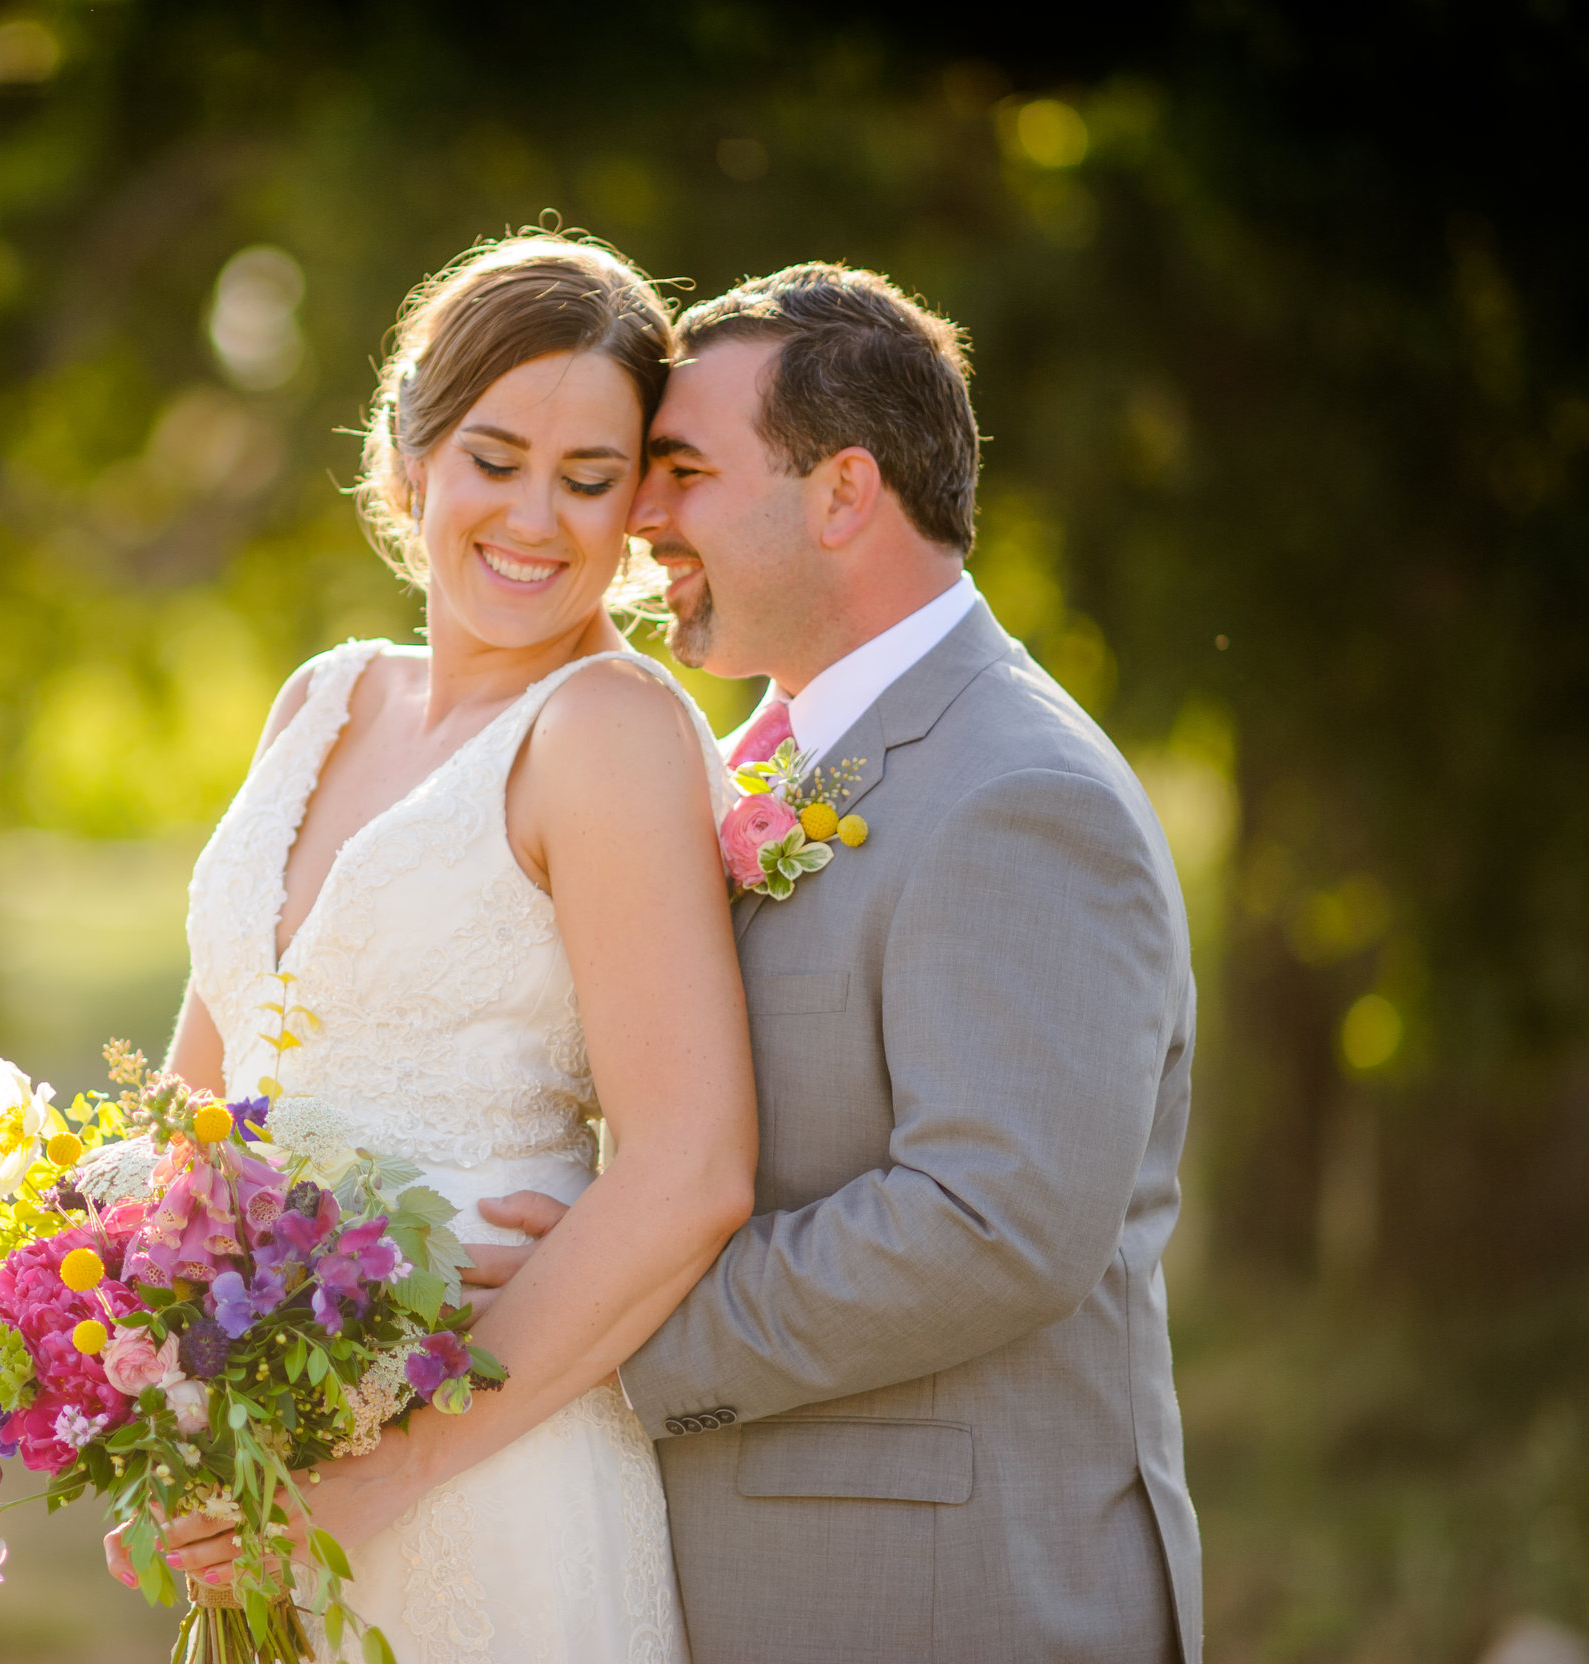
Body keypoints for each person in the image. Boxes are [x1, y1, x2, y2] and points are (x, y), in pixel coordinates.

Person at [465, 264, 1206, 1662]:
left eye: (682, 470)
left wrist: (612, 1326)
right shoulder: (752, 759)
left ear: (843, 492)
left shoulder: (1017, 794)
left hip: (936, 1596)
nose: (641, 515)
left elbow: (991, 1223)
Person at [102, 233, 757, 1662]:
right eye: (495, 457)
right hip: (272, 1468)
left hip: (487, 1483)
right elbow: (197, 1127)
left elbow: (691, 1167)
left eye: (590, 480)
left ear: (637, 508)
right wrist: (163, 1431)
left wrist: (379, 1476)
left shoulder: (608, 735)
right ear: (409, 458)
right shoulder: (323, 700)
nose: (536, 518)